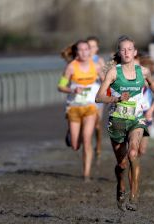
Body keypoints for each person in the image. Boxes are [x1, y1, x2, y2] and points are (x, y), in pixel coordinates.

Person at [95, 35, 154, 211]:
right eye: (123, 49)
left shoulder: (144, 71)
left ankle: (134, 195)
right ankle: (121, 185)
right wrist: (116, 98)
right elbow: (99, 97)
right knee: (122, 164)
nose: (126, 52)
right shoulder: (113, 72)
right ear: (119, 52)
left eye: (129, 49)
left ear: (135, 52)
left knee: (134, 153)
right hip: (117, 120)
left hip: (136, 118)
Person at [57, 40, 103, 182]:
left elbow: (107, 82)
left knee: (87, 140)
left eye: (86, 49)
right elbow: (60, 86)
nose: (84, 52)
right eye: (81, 50)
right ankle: (71, 134)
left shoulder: (96, 67)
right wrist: (72, 89)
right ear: (76, 52)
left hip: (90, 107)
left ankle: (86, 174)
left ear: (90, 51)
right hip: (74, 107)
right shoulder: (71, 67)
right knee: (76, 145)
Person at [87, 36, 106, 159]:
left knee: (97, 125)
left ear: (97, 48)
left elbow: (105, 79)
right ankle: (87, 146)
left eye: (92, 46)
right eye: (88, 46)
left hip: (97, 95)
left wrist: (99, 74)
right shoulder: (80, 60)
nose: (90, 49)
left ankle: (98, 145)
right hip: (84, 96)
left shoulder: (99, 61)